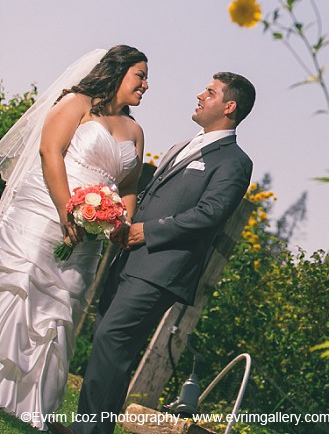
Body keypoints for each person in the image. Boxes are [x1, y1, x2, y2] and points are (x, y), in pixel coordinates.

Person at [65, 72, 254, 434]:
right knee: (110, 342)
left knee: (111, 339)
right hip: (131, 260)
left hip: (162, 268)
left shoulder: (234, 161)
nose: (200, 94)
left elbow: (211, 214)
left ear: (229, 107)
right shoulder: (185, 145)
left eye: (210, 92)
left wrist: (147, 231)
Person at [0, 46, 149, 431]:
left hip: (91, 233)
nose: (146, 85)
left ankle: (28, 403)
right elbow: (50, 151)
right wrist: (68, 209)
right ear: (118, 72)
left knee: (59, 306)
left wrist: (120, 221)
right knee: (20, 285)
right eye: (140, 75)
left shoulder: (135, 130)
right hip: (45, 210)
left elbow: (129, 184)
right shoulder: (76, 103)